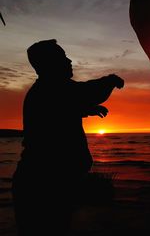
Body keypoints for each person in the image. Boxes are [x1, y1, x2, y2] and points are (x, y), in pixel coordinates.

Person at [12, 39, 124, 236]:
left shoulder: (48, 90)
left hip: (39, 181)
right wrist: (110, 80)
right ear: (50, 64)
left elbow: (57, 111)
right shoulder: (54, 87)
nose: (69, 61)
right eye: (63, 57)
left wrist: (87, 110)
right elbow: (87, 91)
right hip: (45, 184)